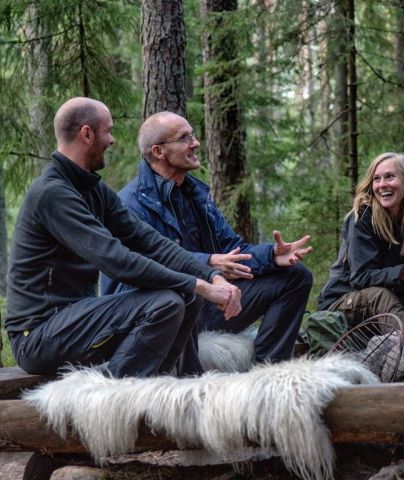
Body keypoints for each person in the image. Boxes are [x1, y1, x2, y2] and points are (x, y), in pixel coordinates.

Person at [5, 97, 242, 378]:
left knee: (185, 297)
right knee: (167, 302)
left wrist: (210, 275)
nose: (112, 140)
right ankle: (112, 398)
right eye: (108, 131)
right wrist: (198, 285)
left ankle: (164, 385)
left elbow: (149, 241)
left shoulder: (92, 189)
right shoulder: (53, 193)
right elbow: (117, 260)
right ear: (86, 134)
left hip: (77, 320)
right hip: (38, 336)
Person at [103, 112, 313, 364]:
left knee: (295, 276)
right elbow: (144, 264)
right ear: (158, 151)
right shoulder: (130, 203)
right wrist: (209, 263)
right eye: (184, 138)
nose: (196, 143)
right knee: (179, 296)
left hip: (207, 303)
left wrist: (271, 256)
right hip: (157, 314)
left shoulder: (195, 194)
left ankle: (266, 372)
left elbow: (231, 250)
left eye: (192, 135)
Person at [317, 152, 404, 330]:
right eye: (376, 179)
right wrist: (402, 273)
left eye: (390, 177)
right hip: (342, 303)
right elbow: (360, 277)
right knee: (381, 297)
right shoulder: (362, 217)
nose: (382, 185)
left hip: (390, 297)